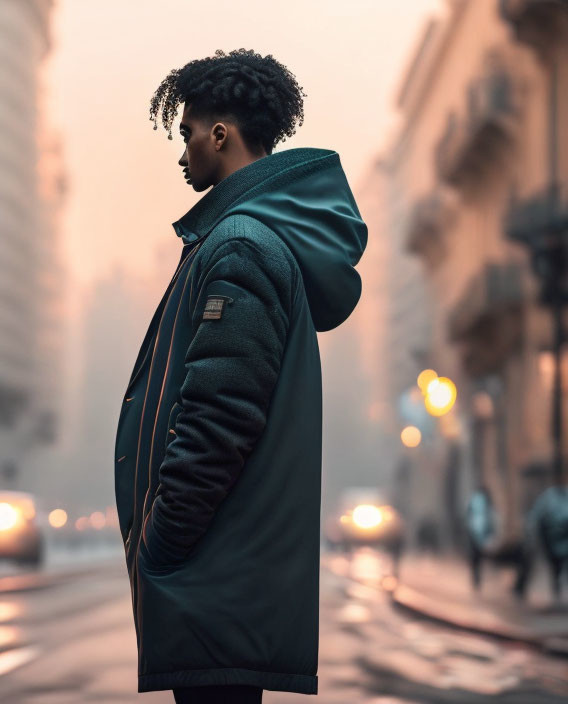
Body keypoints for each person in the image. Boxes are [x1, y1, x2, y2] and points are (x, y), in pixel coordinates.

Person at [114, 49, 366, 701]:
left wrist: (163, 540)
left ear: (220, 135)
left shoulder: (240, 246)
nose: (183, 152)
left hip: (212, 570)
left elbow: (219, 416)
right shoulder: (242, 238)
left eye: (188, 133)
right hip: (225, 567)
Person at [464, 485, 498, 591]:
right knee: (481, 557)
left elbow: (469, 516)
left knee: (475, 560)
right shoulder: (486, 500)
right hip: (483, 533)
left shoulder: (473, 500)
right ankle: (481, 581)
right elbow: (490, 516)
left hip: (474, 533)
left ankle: (476, 581)